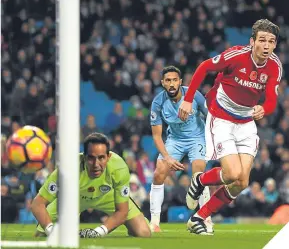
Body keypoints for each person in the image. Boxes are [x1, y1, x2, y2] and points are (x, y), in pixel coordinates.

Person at [178, 19, 282, 235]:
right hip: (222, 117)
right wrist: (188, 99)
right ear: (252, 41)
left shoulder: (274, 66)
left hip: (245, 122)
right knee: (232, 172)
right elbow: (204, 67)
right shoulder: (235, 55)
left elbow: (271, 98)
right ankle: (201, 181)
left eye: (271, 42)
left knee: (241, 182)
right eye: (262, 40)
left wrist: (265, 109)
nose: (266, 46)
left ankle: (198, 217)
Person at [31, 132, 151, 238]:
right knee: (41, 233)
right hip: (73, 198)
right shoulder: (67, 168)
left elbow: (122, 211)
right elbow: (37, 204)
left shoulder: (119, 167)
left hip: (108, 196)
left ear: (108, 157)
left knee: (143, 232)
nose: (96, 164)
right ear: (84, 157)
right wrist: (51, 231)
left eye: (101, 158)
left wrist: (98, 232)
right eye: (91, 158)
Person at [150, 65, 213, 233]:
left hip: (197, 138)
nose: (172, 84)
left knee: (199, 174)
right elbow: (157, 136)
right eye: (168, 80)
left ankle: (205, 219)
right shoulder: (158, 102)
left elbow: (211, 117)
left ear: (180, 82)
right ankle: (154, 222)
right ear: (162, 83)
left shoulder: (194, 96)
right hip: (174, 140)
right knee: (158, 173)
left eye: (175, 80)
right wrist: (168, 158)